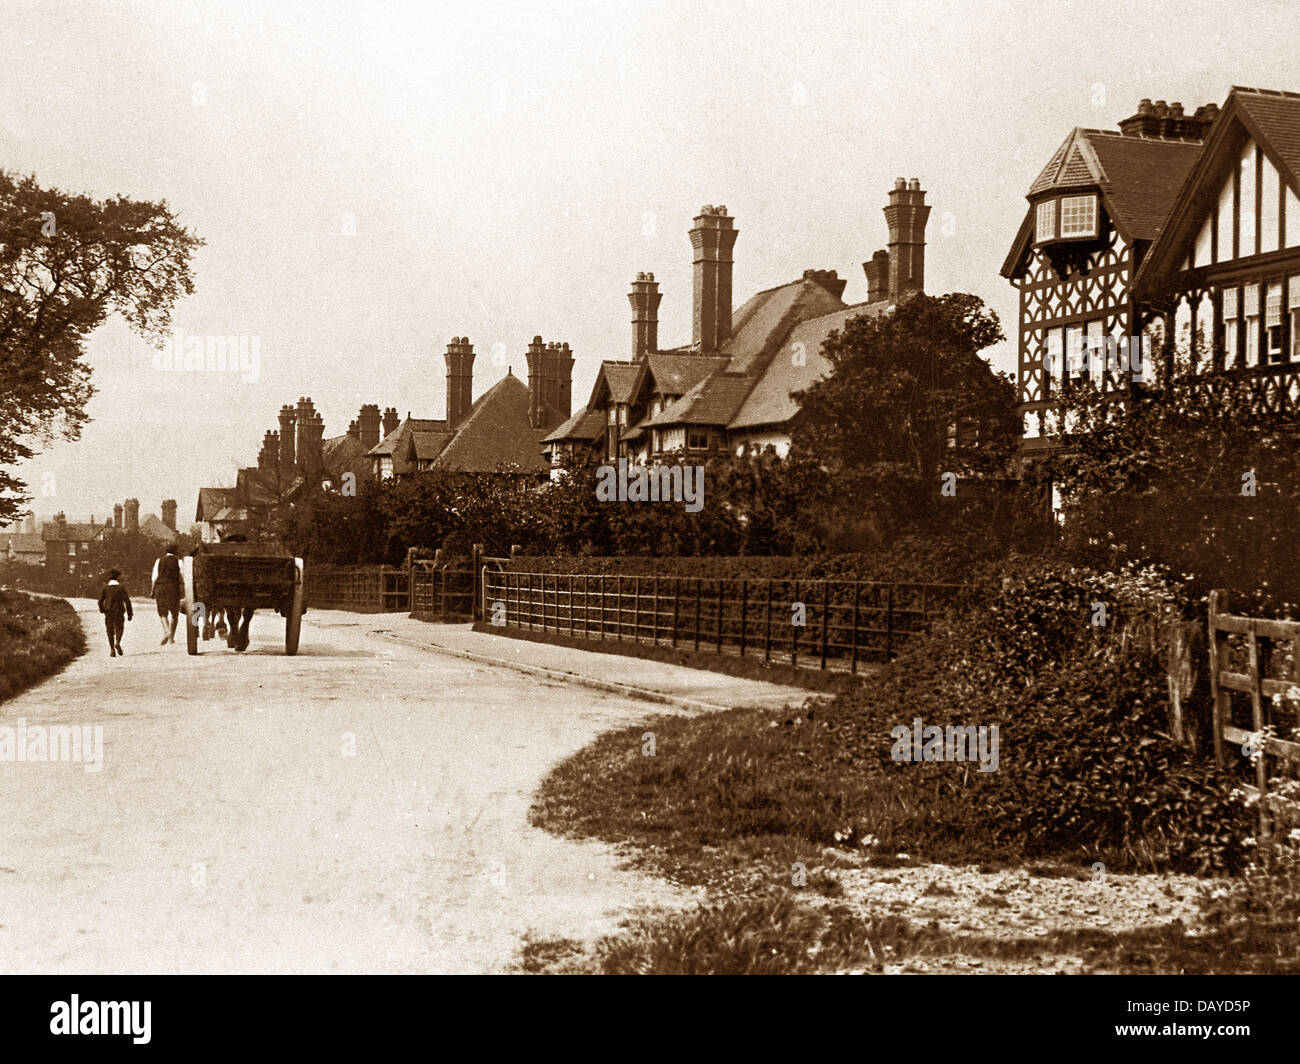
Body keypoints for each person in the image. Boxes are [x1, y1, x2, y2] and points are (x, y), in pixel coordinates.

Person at [97, 568, 133, 657]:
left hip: (108, 611)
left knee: (109, 630)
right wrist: (129, 613)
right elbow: (127, 601)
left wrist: (102, 610)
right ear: (118, 577)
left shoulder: (105, 588)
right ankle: (117, 642)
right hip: (119, 611)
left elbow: (100, 601)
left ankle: (112, 649)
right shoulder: (121, 588)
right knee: (119, 628)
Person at [152, 544, 182, 645]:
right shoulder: (178, 561)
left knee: (162, 613)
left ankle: (166, 630)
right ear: (175, 551)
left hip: (161, 588)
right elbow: (184, 575)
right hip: (173, 588)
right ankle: (171, 637)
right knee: (174, 614)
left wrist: (152, 591)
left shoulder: (159, 561)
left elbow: (154, 577)